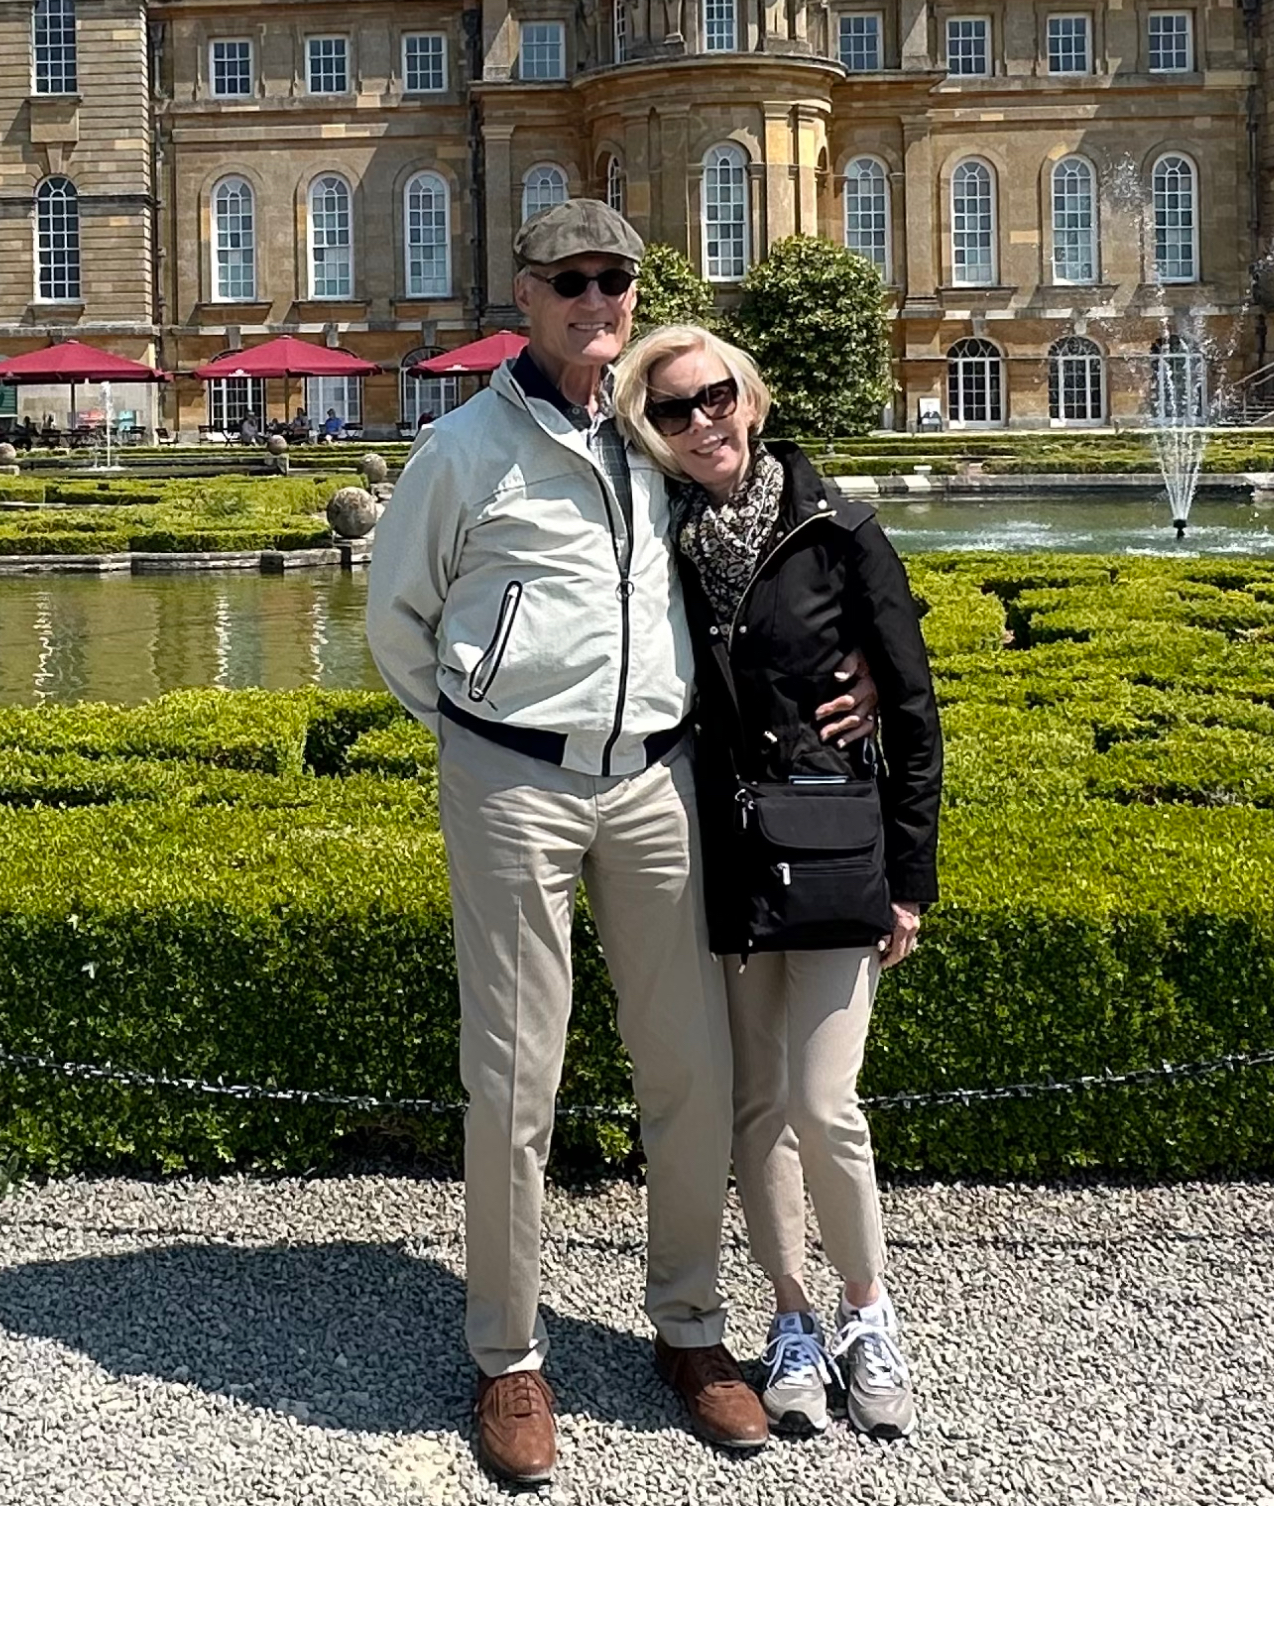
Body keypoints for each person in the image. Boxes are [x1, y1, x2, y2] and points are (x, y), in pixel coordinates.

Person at [365, 200, 876, 1489]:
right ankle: (509, 1355)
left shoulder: (657, 431)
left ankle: (691, 1330)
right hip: (515, 783)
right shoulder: (464, 450)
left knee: (693, 1072)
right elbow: (396, 619)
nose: (600, 299)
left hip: (656, 784)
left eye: (618, 280)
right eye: (572, 280)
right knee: (515, 1080)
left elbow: (781, 528)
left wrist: (858, 655)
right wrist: (485, 729)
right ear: (524, 297)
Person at [613, 325, 942, 1440]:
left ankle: (868, 1312)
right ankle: (792, 1318)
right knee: (755, 1106)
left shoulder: (839, 530)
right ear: (648, 430)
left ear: (749, 398)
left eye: (713, 397)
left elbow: (912, 710)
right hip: (722, 851)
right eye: (671, 411)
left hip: (834, 846)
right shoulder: (653, 537)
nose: (700, 421)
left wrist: (910, 882)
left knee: (821, 1099)